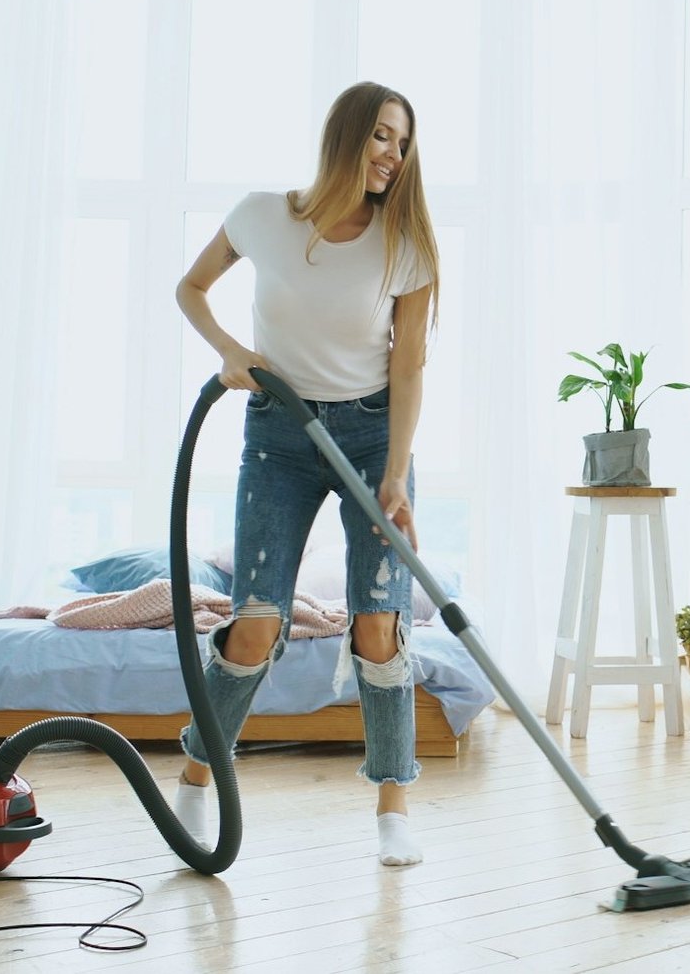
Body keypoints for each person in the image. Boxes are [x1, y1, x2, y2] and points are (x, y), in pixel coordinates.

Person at [171, 82, 439, 866]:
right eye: (384, 137)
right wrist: (228, 349)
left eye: (404, 143)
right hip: (279, 434)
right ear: (348, 135)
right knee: (255, 622)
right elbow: (190, 288)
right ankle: (197, 774)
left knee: (379, 624)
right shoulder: (263, 215)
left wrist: (395, 472)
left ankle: (393, 802)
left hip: (369, 436)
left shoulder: (405, 241)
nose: (394, 155)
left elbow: (410, 363)